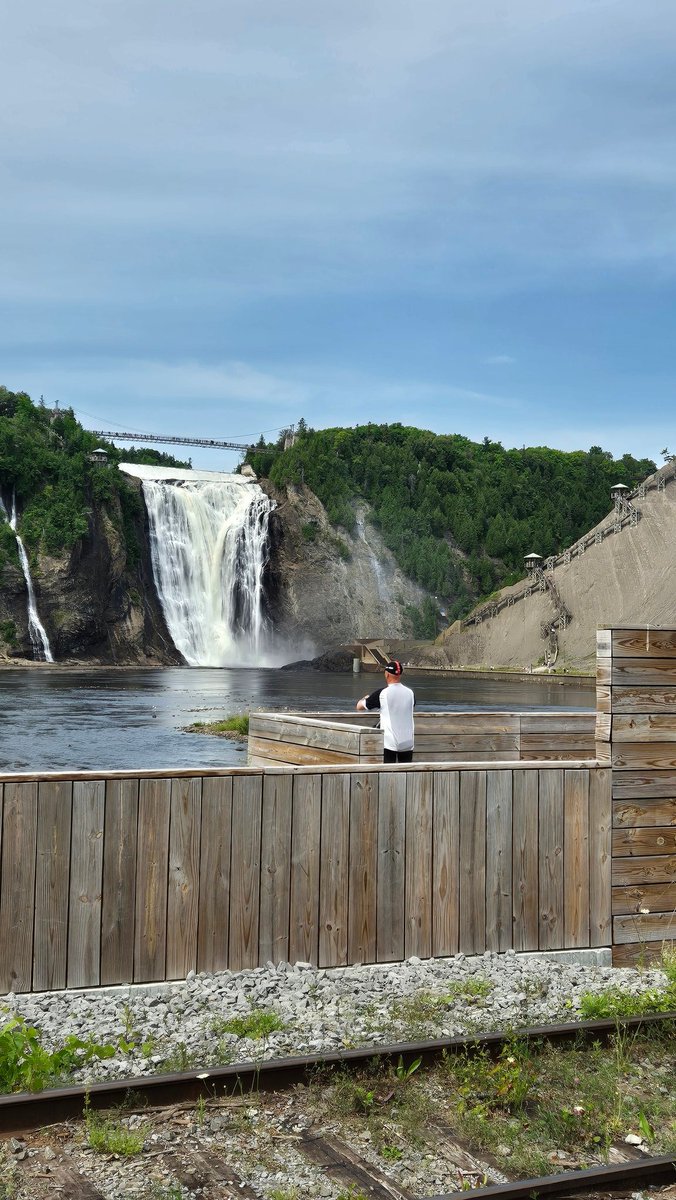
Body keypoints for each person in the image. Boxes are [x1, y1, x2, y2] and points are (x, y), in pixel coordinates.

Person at [356, 660, 415, 763]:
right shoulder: (410, 693)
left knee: (389, 773)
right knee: (406, 773)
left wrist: (365, 698)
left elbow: (359, 706)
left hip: (390, 743)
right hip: (408, 741)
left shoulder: (382, 693)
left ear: (387, 674)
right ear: (400, 674)